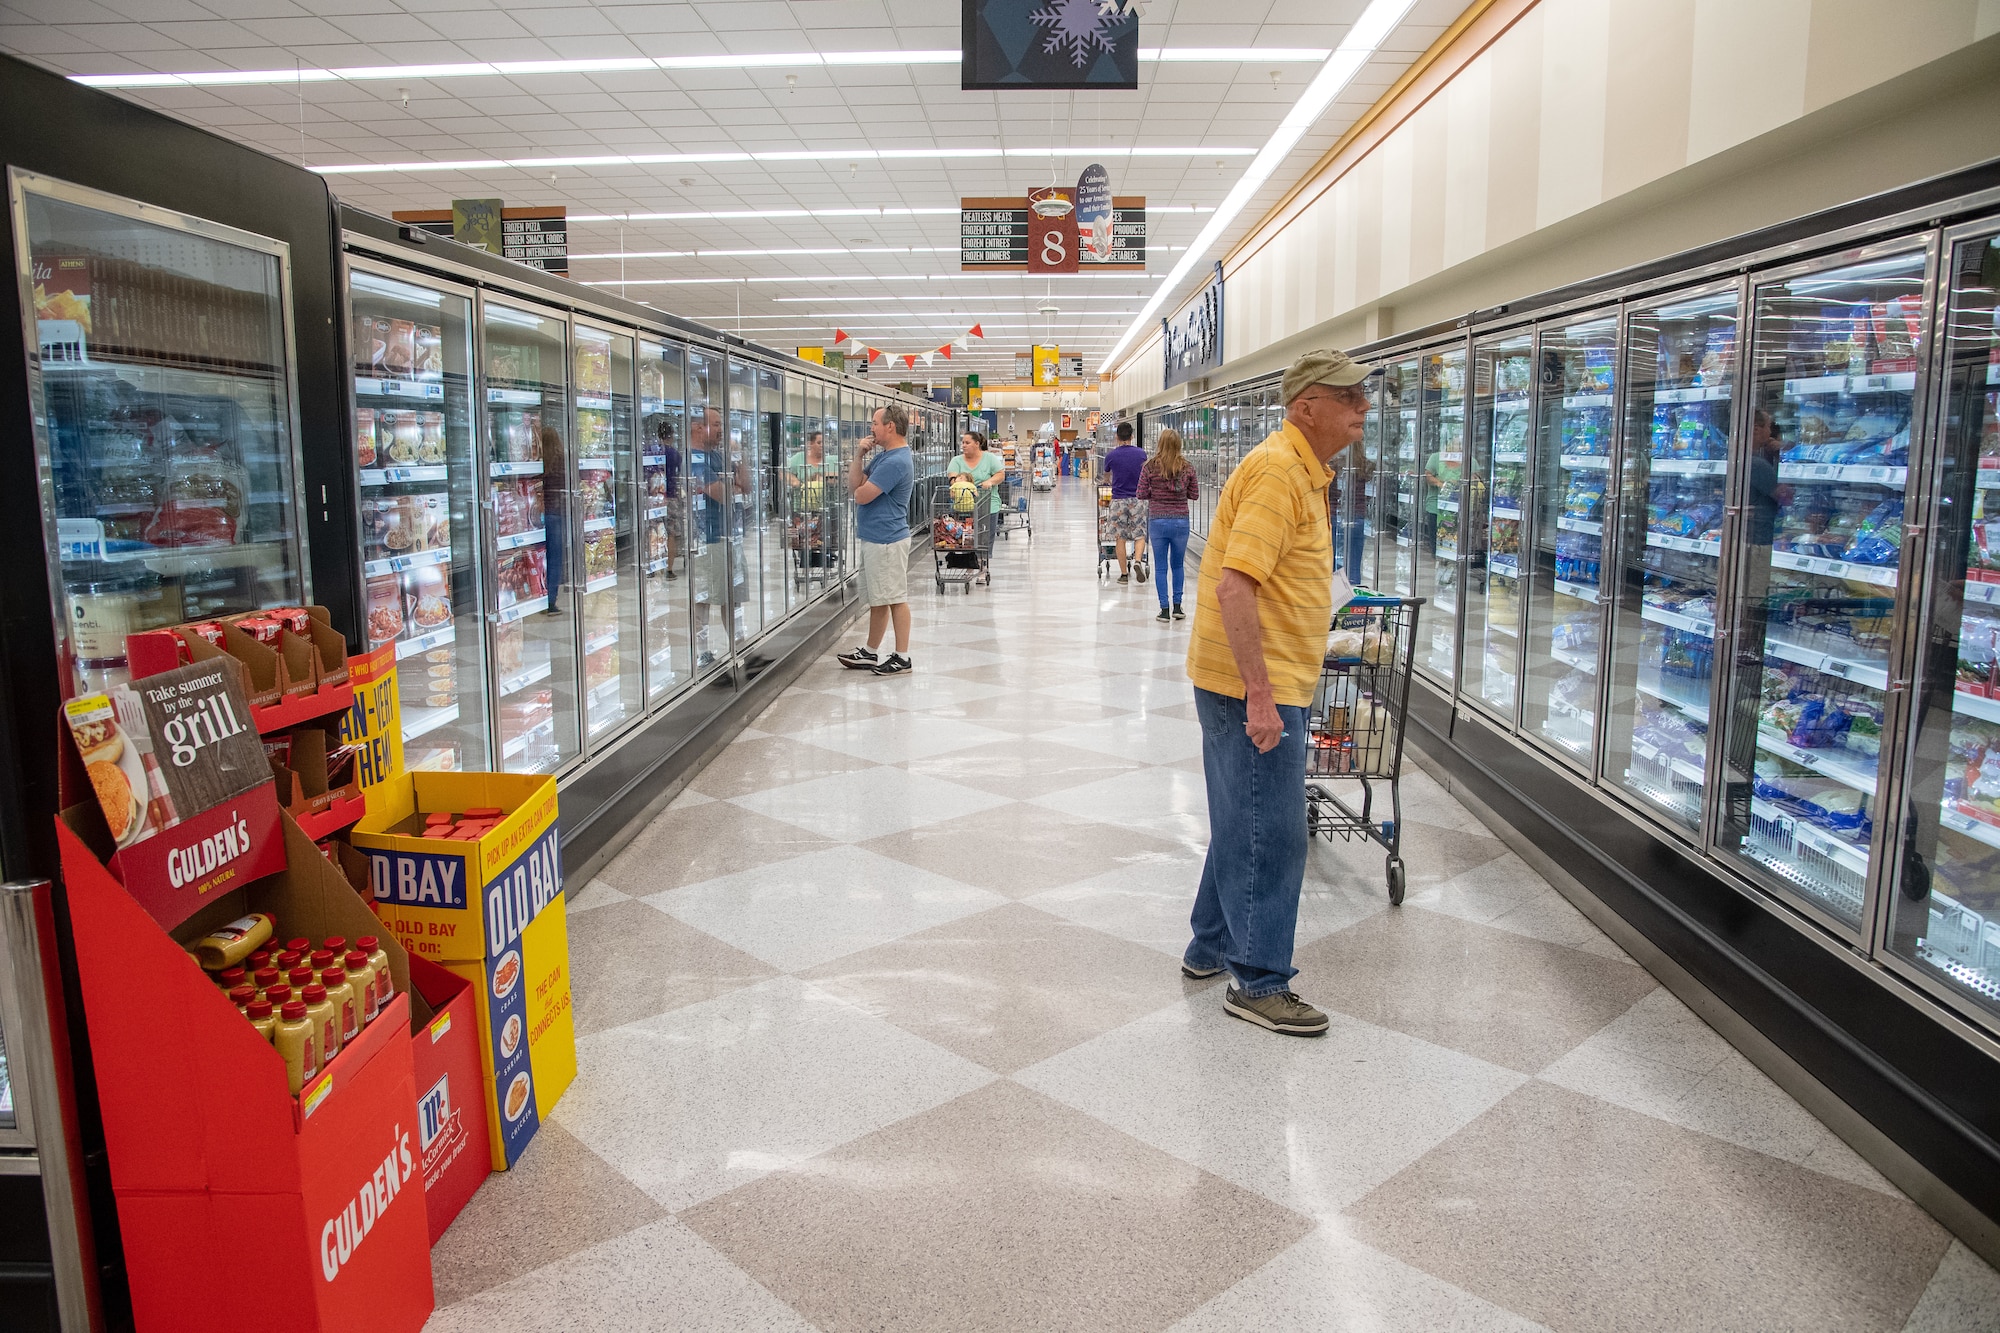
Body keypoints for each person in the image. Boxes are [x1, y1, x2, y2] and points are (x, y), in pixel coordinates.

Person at [1182, 349, 1373, 1037]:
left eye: (1363, 395)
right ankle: (1259, 980)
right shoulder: (1277, 471)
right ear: (1305, 406)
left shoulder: (1306, 473)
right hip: (1249, 681)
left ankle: (1209, 947)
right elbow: (1237, 585)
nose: (1362, 408)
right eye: (1347, 396)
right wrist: (1260, 696)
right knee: (1276, 832)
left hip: (1256, 672)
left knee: (1243, 816)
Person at [836, 404, 917, 675]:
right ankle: (871, 652)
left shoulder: (896, 461)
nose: (871, 428)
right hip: (875, 537)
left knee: (895, 597)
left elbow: (861, 495)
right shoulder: (884, 457)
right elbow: (853, 485)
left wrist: (860, 487)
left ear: (890, 426)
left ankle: (902, 657)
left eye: (875, 423)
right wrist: (859, 453)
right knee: (880, 598)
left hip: (887, 541)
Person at [1137, 428, 1198, 622]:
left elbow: (1140, 493)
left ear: (1159, 444)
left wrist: (1156, 493)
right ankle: (1178, 607)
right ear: (1179, 444)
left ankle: (1164, 609)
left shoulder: (1149, 467)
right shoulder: (1188, 467)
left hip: (1158, 521)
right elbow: (1194, 494)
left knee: (1161, 567)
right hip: (1181, 521)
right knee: (1178, 565)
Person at [947, 430, 1004, 582]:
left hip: (988, 506)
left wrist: (990, 482)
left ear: (977, 444)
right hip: (964, 507)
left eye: (967, 442)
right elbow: (952, 478)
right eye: (963, 443)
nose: (963, 446)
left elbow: (1000, 474)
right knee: (966, 537)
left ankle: (983, 567)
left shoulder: (989, 458)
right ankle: (969, 565)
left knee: (985, 538)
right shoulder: (956, 461)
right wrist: (958, 483)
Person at [1103, 421, 1149, 582]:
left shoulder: (1111, 456)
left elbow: (1106, 477)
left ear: (1117, 436)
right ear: (1132, 436)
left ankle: (1123, 574)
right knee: (1140, 534)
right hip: (1138, 499)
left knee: (1120, 538)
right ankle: (1137, 561)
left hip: (1118, 500)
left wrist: (1110, 480)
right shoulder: (1141, 454)